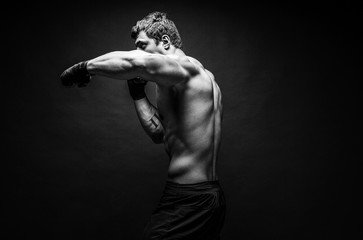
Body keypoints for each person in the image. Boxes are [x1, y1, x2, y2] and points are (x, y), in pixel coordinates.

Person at [60, 11, 225, 240]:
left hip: (189, 200)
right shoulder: (192, 82)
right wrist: (138, 95)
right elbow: (160, 134)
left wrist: (84, 67)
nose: (138, 52)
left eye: (142, 45)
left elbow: (135, 62)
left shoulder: (184, 68)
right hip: (208, 198)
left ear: (165, 42)